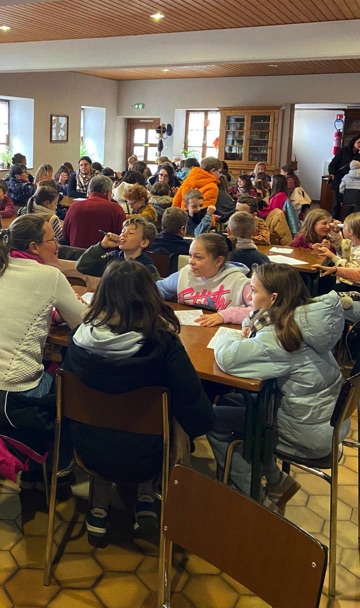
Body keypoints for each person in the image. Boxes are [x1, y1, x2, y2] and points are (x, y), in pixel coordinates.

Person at [63, 259, 213, 546]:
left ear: (103, 294)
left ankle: (99, 506)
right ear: (149, 295)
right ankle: (146, 496)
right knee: (168, 415)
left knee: (105, 413)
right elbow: (199, 415)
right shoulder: (163, 344)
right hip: (150, 454)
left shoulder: (78, 339)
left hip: (89, 449)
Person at [207, 263, 347, 508]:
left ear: (273, 298)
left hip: (307, 434)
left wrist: (228, 335)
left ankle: (255, 501)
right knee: (234, 401)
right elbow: (254, 326)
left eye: (254, 290)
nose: (250, 296)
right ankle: (276, 480)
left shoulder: (281, 335)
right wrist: (252, 322)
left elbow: (229, 359)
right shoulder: (305, 320)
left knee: (213, 420)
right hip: (326, 423)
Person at [0, 215, 85, 397]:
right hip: (11, 390)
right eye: (53, 240)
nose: (58, 246)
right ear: (34, 247)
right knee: (65, 372)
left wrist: (55, 316)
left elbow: (17, 309)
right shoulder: (50, 276)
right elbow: (81, 323)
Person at [156, 233, 252, 326]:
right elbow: (156, 289)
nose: (191, 261)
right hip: (190, 331)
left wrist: (224, 316)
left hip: (220, 332)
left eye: (198, 257)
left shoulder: (239, 281)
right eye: (190, 255)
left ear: (218, 261)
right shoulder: (186, 273)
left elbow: (259, 311)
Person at [76, 217, 159, 278]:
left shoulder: (147, 269)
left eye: (131, 233)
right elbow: (82, 266)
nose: (123, 235)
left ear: (144, 243)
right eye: (122, 231)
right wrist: (102, 246)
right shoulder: (112, 258)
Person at [62, 175, 125, 249]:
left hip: (76, 254)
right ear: (108, 193)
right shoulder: (116, 209)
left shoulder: (74, 207)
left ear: (88, 192)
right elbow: (122, 238)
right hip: (105, 255)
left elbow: (65, 236)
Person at [312, 211, 360, 288]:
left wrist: (332, 256)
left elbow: (353, 271)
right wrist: (335, 231)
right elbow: (339, 245)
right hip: (345, 280)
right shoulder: (349, 242)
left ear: (351, 231)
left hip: (353, 285)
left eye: (344, 226)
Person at [328, 134, 360, 218]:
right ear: (353, 142)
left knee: (353, 204)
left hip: (355, 183)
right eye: (359, 142)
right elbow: (333, 164)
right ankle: (335, 220)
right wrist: (332, 173)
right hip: (340, 179)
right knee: (337, 203)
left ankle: (351, 222)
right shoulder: (344, 151)